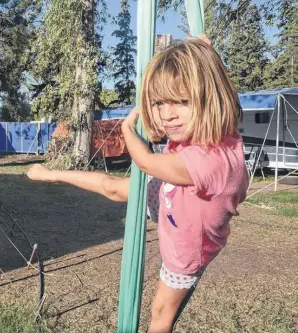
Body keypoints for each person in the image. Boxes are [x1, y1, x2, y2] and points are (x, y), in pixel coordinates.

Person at [27, 36, 248, 333]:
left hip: (188, 245)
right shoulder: (207, 134)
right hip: (179, 202)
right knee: (113, 188)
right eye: (159, 103)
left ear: (211, 96)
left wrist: (127, 128)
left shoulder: (212, 160)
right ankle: (50, 174)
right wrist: (208, 52)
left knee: (160, 315)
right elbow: (224, 87)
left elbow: (145, 162)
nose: (168, 114)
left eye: (182, 101)